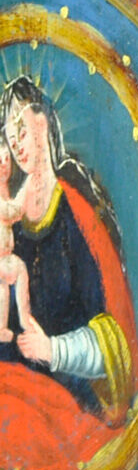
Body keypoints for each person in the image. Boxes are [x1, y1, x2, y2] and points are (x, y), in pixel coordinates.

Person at [0, 76, 138, 470]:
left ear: (45, 119)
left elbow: (113, 345)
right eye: (11, 137)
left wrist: (52, 349)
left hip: (62, 395)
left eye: (22, 128)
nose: (18, 143)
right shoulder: (8, 219)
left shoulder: (75, 211)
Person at [0, 133, 34, 342]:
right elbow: (12, 212)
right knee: (20, 270)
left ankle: (1, 328)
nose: (4, 165)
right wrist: (26, 190)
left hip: (3, 257)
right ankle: (25, 320)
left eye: (6, 159)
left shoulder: (3, 188)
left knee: (2, 292)